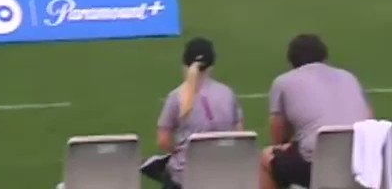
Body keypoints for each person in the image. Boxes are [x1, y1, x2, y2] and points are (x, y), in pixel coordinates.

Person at [262, 35, 372, 189]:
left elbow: (278, 135)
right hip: (363, 164)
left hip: (316, 166)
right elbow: (369, 119)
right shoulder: (349, 77)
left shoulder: (283, 82)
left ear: (291, 61)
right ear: (324, 56)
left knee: (268, 156)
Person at [144, 37, 243, 189]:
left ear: (185, 63)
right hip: (224, 172)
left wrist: (175, 150)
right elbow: (239, 134)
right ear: (212, 64)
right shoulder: (228, 93)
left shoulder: (177, 96)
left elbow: (163, 140)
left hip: (187, 178)